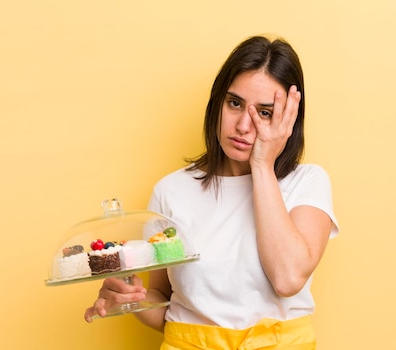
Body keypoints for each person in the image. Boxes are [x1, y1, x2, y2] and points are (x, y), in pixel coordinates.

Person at [84, 35, 339, 349]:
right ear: (217, 102)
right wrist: (131, 299)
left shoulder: (308, 182)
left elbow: (288, 280)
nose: (244, 125)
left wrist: (262, 164)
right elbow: (166, 304)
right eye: (235, 103)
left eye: (264, 112)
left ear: (288, 121)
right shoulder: (171, 191)